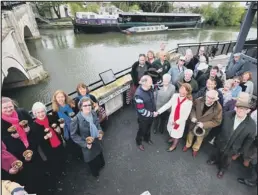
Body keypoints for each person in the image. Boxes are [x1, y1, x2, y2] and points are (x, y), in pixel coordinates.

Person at [1, 97, 44, 194]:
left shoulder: (22, 112)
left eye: (10, 106)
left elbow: (33, 124)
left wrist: (29, 130)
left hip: (31, 148)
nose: (8, 109)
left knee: (39, 171)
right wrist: (12, 137)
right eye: (5, 108)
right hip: (17, 155)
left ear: (13, 105)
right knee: (27, 178)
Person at [207, 100, 256, 179]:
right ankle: (214, 160)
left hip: (234, 148)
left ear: (248, 111)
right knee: (217, 152)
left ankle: (222, 169)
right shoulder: (227, 115)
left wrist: (240, 151)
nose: (240, 110)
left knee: (227, 160)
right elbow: (218, 127)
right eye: (238, 108)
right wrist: (212, 136)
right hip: (221, 141)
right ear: (235, 108)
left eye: (243, 109)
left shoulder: (252, 126)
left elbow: (249, 140)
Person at [31, 102, 65, 190]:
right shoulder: (34, 126)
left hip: (58, 143)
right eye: (38, 112)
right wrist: (45, 137)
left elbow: (59, 128)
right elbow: (36, 141)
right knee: (53, 162)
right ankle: (57, 175)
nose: (41, 114)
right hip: (48, 149)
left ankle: (62, 169)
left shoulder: (51, 117)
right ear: (34, 114)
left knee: (61, 157)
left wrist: (60, 128)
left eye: (42, 111)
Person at [70, 97, 105, 178]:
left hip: (96, 140)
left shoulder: (93, 112)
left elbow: (97, 124)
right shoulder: (76, 119)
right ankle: (95, 173)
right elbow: (73, 135)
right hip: (87, 144)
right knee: (92, 161)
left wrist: (100, 132)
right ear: (80, 107)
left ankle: (100, 165)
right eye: (85, 105)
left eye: (89, 105)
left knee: (100, 157)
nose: (88, 107)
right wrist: (85, 144)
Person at [183, 90, 222, 157]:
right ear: (206, 95)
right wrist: (193, 117)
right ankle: (187, 145)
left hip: (204, 128)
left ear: (215, 99)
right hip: (194, 123)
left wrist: (204, 125)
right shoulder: (198, 100)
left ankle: (195, 149)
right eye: (208, 97)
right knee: (190, 134)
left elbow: (217, 121)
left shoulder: (218, 108)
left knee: (199, 139)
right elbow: (192, 109)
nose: (209, 99)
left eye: (212, 98)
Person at [157, 83, 193, 152]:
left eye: (185, 90)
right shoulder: (175, 96)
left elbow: (186, 116)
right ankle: (172, 138)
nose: (182, 91)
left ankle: (174, 145)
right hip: (172, 119)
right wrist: (158, 112)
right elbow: (168, 105)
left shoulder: (189, 102)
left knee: (177, 135)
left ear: (188, 92)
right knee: (171, 130)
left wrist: (176, 122)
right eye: (181, 89)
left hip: (179, 122)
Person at [51, 90, 82, 160]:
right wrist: (59, 126)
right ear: (55, 99)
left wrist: (75, 119)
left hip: (77, 127)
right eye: (58, 97)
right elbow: (55, 124)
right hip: (66, 131)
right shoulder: (55, 111)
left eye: (62, 97)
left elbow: (79, 114)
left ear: (65, 97)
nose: (60, 99)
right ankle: (76, 156)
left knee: (80, 141)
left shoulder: (72, 105)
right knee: (71, 145)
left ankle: (81, 153)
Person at [134, 75, 158, 151]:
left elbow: (155, 85)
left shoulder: (149, 87)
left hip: (150, 116)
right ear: (144, 83)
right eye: (150, 82)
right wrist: (152, 114)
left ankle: (147, 139)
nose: (152, 84)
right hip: (143, 118)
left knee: (148, 129)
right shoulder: (138, 95)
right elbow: (141, 111)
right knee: (142, 130)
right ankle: (138, 142)